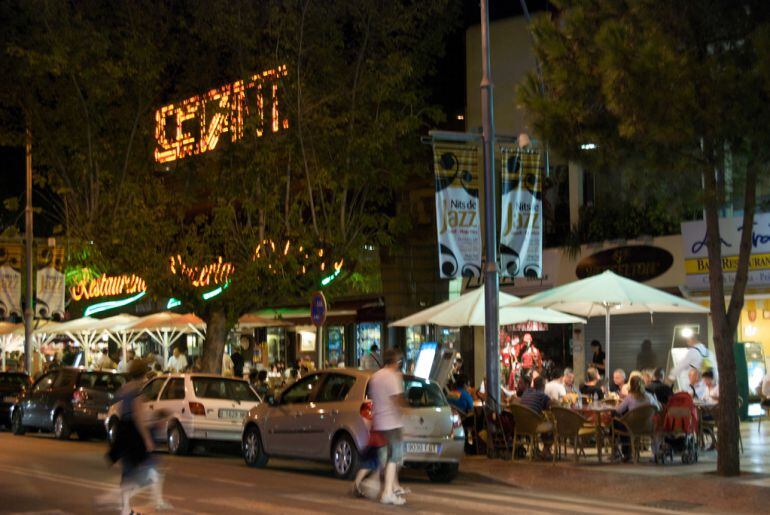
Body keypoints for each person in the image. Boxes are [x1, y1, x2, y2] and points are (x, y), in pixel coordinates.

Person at [108, 359, 171, 514]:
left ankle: (125, 509)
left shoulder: (124, 389)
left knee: (128, 470)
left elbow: (120, 408)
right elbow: (138, 417)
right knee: (145, 470)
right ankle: (116, 503)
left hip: (122, 429)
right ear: (143, 373)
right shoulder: (137, 390)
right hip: (132, 432)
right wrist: (147, 439)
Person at [365, 348, 407, 505]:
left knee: (384, 457)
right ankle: (388, 492)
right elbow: (396, 398)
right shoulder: (392, 377)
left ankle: (377, 483)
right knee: (394, 457)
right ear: (395, 361)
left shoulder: (375, 377)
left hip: (379, 422)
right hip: (392, 423)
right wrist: (405, 409)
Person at [614, 375, 659, 461]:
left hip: (632, 428)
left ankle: (625, 453)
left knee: (616, 421)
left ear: (631, 385)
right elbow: (657, 408)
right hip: (648, 427)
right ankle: (655, 454)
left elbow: (619, 410)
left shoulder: (630, 397)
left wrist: (616, 406)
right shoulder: (649, 396)